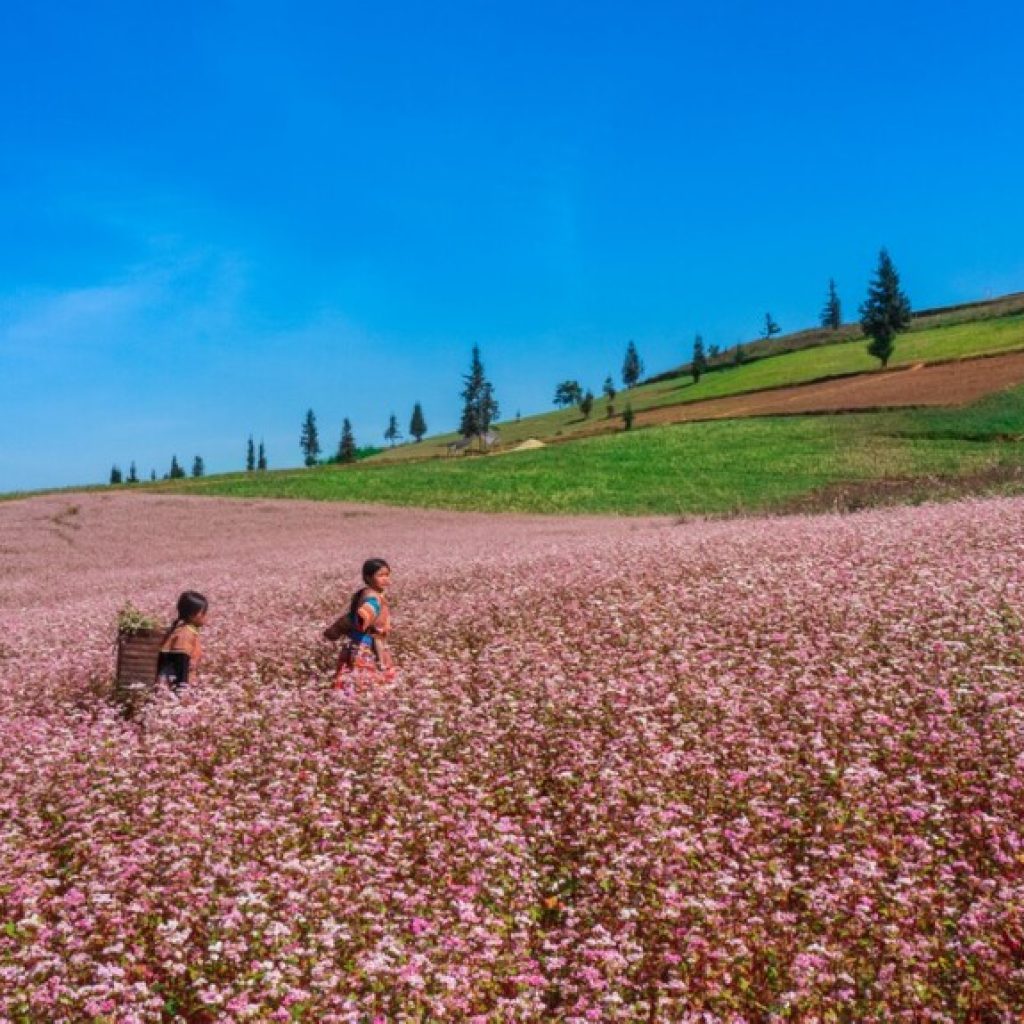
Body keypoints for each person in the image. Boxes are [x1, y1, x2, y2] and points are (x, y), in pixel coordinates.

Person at [324, 558, 395, 689]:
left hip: (355, 646)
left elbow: (352, 617)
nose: (385, 579)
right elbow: (366, 613)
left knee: (352, 684)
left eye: (387, 575)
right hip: (367, 649)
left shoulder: (364, 593)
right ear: (367, 578)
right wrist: (365, 619)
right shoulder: (373, 598)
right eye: (380, 575)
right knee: (366, 686)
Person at [157, 590, 208, 692]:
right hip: (172, 689)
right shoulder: (185, 634)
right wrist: (182, 691)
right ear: (191, 615)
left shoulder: (184, 630)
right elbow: (181, 664)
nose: (205, 617)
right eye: (203, 613)